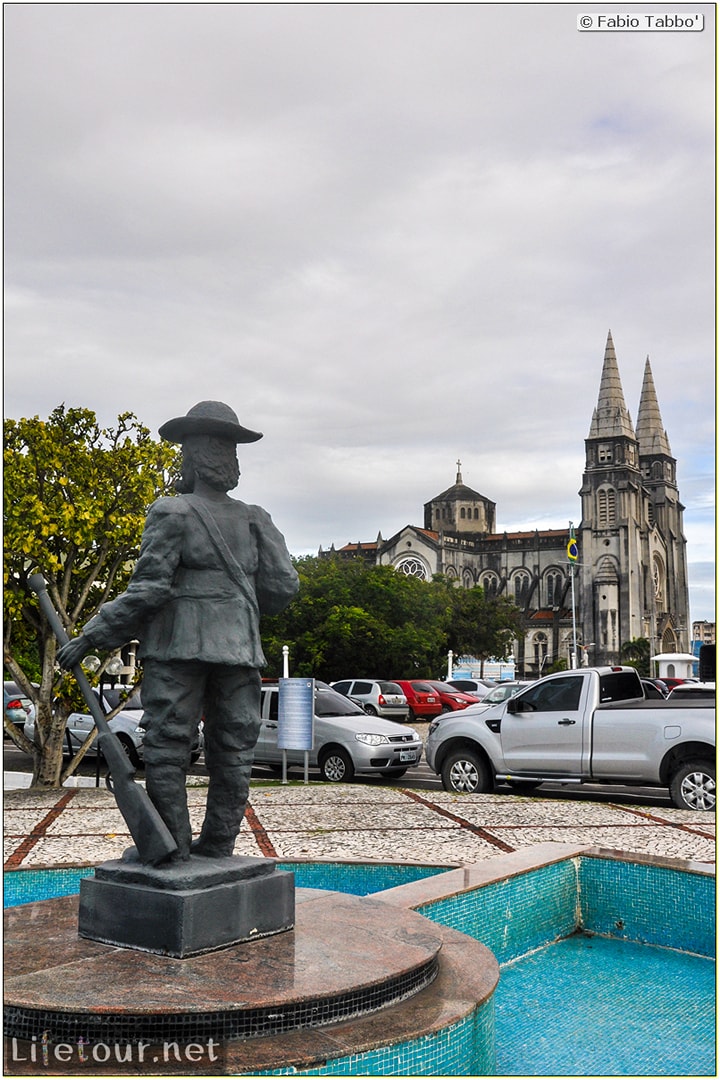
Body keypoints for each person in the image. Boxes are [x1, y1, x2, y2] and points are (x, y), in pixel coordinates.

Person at [57, 401, 299, 862]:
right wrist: (233, 610)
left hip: (176, 648)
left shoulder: (172, 512)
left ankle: (172, 851)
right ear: (231, 460)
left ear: (188, 459)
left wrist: (90, 637)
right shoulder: (255, 519)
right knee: (234, 752)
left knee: (168, 749)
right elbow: (283, 588)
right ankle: (219, 846)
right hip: (241, 649)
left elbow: (148, 592)